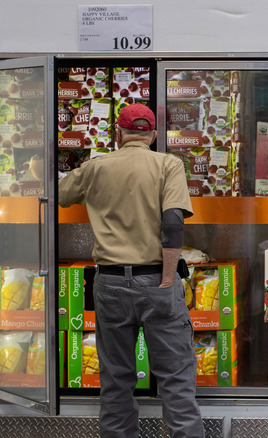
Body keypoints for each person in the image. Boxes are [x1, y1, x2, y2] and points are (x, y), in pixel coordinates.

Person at [59, 103, 204, 438]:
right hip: (157, 280)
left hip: (109, 284)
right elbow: (173, 224)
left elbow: (62, 195)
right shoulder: (168, 164)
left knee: (116, 379)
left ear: (118, 134)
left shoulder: (97, 166)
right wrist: (168, 279)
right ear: (152, 135)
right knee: (176, 381)